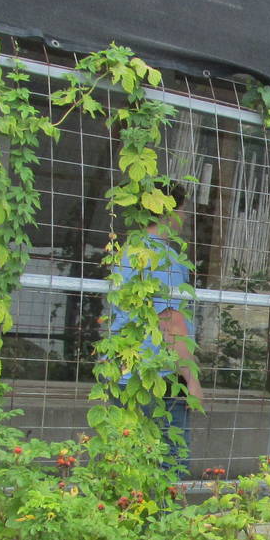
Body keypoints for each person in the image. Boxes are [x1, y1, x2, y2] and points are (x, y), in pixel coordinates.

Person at [105, 181, 202, 477]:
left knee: (127, 459)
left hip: (122, 369)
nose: (185, 218)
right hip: (159, 374)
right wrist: (192, 380)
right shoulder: (167, 259)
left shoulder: (125, 252)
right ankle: (166, 520)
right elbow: (171, 321)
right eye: (183, 209)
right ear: (169, 212)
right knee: (169, 461)